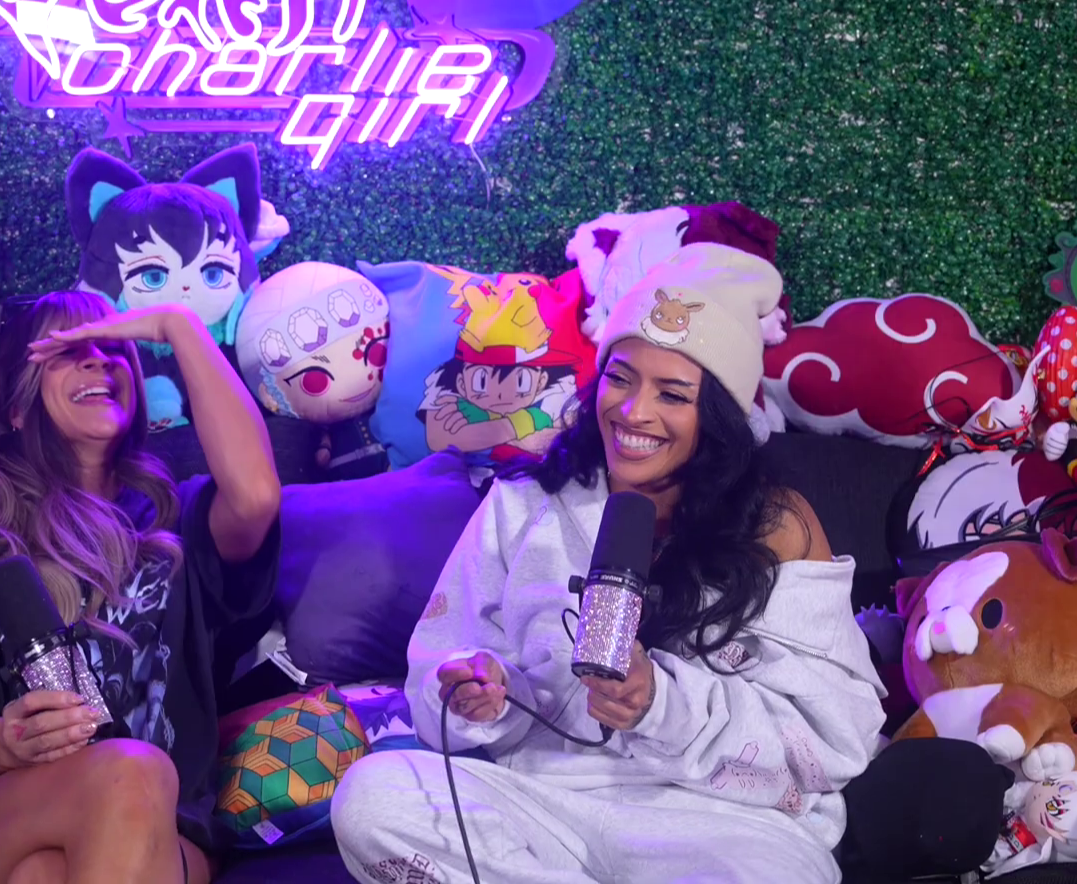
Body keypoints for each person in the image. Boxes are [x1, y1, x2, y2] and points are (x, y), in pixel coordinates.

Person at [331, 244, 887, 884]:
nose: (632, 412)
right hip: (542, 803)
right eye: (621, 379)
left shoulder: (775, 526)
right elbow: (438, 673)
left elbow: (835, 738)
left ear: (718, 416)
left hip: (720, 825)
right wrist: (483, 697)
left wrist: (661, 703)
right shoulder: (523, 504)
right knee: (374, 798)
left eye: (672, 394)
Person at [0, 291, 281, 884]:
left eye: (113, 349)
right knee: (129, 773)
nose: (99, 360)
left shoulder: (177, 520)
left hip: (159, 824)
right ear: (15, 402)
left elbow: (256, 497)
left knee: (49, 870)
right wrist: (8, 742)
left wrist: (179, 325)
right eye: (68, 350)